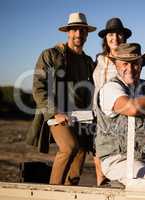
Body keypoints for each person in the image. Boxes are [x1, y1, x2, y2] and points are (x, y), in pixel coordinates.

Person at [26, 12, 96, 185]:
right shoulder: (50, 55)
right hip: (57, 113)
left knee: (81, 153)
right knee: (69, 147)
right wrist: (55, 112)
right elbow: (38, 87)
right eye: (74, 30)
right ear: (68, 32)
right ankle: (53, 191)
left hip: (81, 117)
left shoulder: (88, 62)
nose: (78, 34)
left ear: (87, 34)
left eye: (82, 30)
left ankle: (69, 191)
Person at [94, 43, 145, 185]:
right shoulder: (111, 88)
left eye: (135, 64)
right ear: (116, 65)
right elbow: (131, 108)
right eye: (125, 64)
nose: (130, 69)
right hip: (118, 158)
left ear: (141, 65)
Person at [92, 17, 132, 186]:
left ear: (124, 38)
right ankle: (102, 191)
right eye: (110, 34)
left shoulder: (128, 59)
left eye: (119, 34)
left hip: (119, 114)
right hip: (99, 115)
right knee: (97, 155)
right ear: (105, 38)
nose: (114, 38)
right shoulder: (98, 60)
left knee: (119, 154)